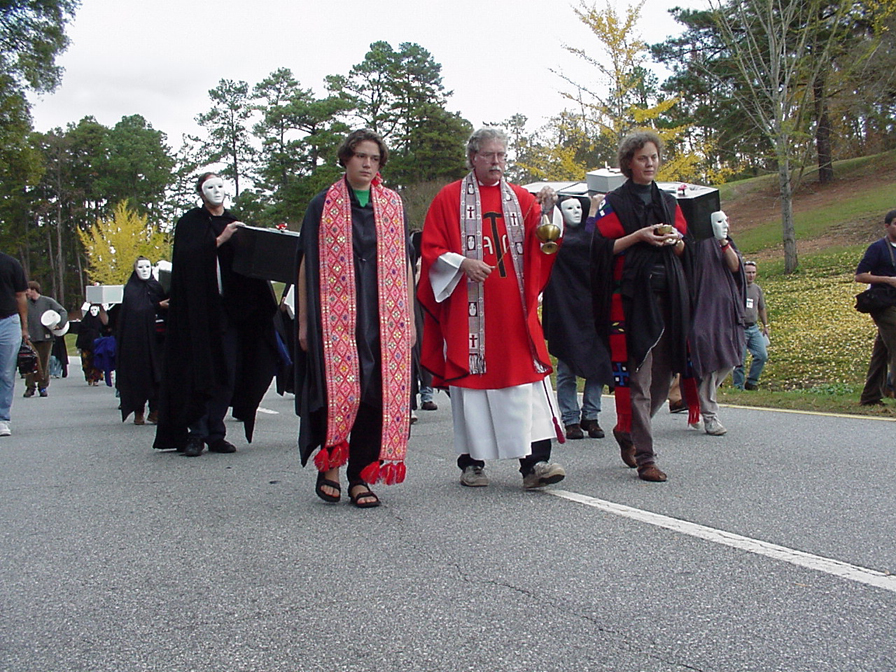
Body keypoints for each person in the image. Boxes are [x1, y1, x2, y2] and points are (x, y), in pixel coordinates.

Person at [418, 127, 566, 490]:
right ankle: (472, 464)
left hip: (514, 313)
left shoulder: (521, 198)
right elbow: (431, 249)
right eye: (489, 155)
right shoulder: (449, 198)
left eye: (501, 155)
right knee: (474, 389)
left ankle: (536, 464)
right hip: (470, 316)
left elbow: (544, 241)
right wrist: (461, 263)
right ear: (473, 157)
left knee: (524, 386)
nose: (497, 162)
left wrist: (549, 210)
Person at [296, 129, 414, 509]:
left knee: (376, 390)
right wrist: (303, 323)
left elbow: (404, 264)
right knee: (339, 389)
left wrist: (409, 319)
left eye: (374, 158)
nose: (367, 164)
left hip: (385, 316)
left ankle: (361, 474)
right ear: (346, 159)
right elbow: (304, 263)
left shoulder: (392, 205)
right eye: (360, 156)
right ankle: (331, 460)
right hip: (334, 317)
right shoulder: (322, 204)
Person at [590, 130, 694, 482]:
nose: (649, 163)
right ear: (629, 163)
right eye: (642, 158)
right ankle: (646, 457)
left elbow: (685, 249)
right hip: (633, 300)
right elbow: (601, 248)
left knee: (664, 380)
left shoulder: (668, 201)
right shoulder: (614, 202)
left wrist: (676, 240)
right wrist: (639, 236)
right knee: (640, 380)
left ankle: (628, 431)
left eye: (653, 157)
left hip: (670, 298)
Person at [153, 172, 278, 456]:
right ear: (201, 192)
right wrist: (220, 240)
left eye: (221, 185)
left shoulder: (235, 222)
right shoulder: (191, 223)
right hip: (199, 314)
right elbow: (187, 259)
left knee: (227, 372)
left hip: (231, 312)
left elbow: (251, 265)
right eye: (209, 187)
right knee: (200, 371)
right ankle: (195, 432)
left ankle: (215, 431)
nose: (216, 191)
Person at [542, 195, 612, 440]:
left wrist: (593, 211)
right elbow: (578, 243)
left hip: (593, 308)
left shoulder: (594, 234)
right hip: (566, 308)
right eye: (568, 207)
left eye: (578, 207)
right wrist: (548, 208)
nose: (575, 212)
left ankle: (591, 416)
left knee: (598, 363)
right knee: (567, 366)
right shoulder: (557, 239)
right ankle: (570, 418)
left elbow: (594, 244)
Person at [688, 210, 746, 435]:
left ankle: (698, 396)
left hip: (728, 313)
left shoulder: (727, 243)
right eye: (718, 222)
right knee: (711, 361)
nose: (725, 225)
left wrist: (723, 242)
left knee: (730, 360)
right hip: (704, 312)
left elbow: (735, 267)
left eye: (726, 221)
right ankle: (710, 415)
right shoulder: (698, 243)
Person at [117, 257, 167, 425]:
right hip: (137, 341)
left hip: (157, 339)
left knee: (158, 375)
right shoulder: (131, 290)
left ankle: (155, 410)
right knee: (139, 374)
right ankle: (138, 410)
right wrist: (157, 306)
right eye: (140, 267)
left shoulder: (156, 286)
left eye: (147, 266)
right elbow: (135, 311)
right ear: (135, 269)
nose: (144, 270)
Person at [856, 209, 896, 405]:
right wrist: (887, 280)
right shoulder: (878, 248)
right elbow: (860, 275)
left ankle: (871, 396)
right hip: (884, 304)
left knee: (882, 350)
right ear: (887, 226)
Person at [0, 251, 28, 436]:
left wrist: (25, 327)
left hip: (8, 320)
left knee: (6, 372)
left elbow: (20, 296)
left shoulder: (11, 263)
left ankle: (2, 418)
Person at [24, 281, 67, 398]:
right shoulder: (25, 303)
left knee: (44, 363)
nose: (26, 292)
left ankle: (43, 386)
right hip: (30, 338)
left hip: (45, 338)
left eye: (28, 290)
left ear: (33, 290)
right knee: (29, 363)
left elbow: (62, 311)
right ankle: (30, 387)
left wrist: (61, 324)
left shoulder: (47, 301)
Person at [732, 260, 769, 390]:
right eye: (748, 272)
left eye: (753, 273)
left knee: (762, 355)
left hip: (754, 328)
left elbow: (761, 308)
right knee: (739, 360)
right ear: (743, 272)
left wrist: (765, 325)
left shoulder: (757, 289)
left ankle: (752, 382)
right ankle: (738, 386)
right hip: (739, 328)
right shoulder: (736, 287)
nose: (751, 275)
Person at [76, 304, 109, 386]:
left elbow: (105, 331)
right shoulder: (84, 324)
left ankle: (96, 379)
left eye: (95, 310)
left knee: (97, 363)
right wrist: (79, 346)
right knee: (87, 363)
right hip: (86, 347)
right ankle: (89, 378)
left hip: (97, 346)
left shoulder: (99, 322)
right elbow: (80, 335)